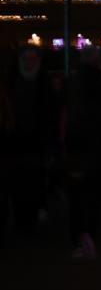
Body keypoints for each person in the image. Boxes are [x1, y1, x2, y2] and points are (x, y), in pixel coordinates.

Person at [62, 49, 101, 260]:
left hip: (76, 147)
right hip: (99, 148)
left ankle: (79, 239)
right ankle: (91, 236)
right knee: (94, 197)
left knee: (76, 199)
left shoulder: (72, 84)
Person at [2, 45, 58, 239]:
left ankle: (28, 221)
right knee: (19, 184)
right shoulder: (17, 83)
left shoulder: (40, 84)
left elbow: (52, 116)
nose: (29, 62)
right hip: (15, 143)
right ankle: (24, 221)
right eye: (26, 59)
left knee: (33, 184)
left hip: (34, 143)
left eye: (32, 59)